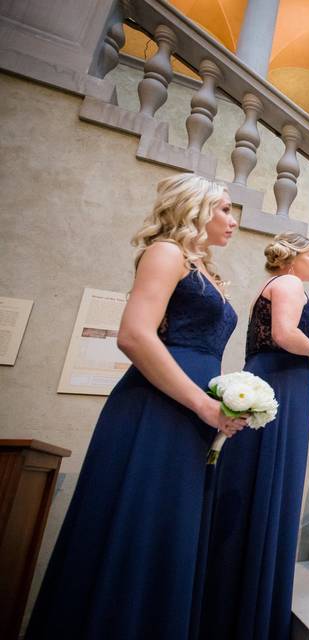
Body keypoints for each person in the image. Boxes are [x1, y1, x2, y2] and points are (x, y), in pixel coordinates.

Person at [27, 174, 246, 640]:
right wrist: (202, 405)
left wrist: (222, 403)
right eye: (225, 208)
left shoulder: (204, 269)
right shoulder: (166, 253)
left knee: (169, 532)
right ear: (195, 208)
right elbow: (134, 335)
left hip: (194, 413)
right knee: (139, 525)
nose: (233, 219)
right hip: (157, 408)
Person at [201, 234, 309, 639]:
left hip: (271, 376)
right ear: (293, 258)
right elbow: (283, 334)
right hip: (280, 382)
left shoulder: (270, 286)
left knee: (255, 479)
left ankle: (234, 595)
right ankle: (253, 602)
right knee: (273, 478)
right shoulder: (289, 283)